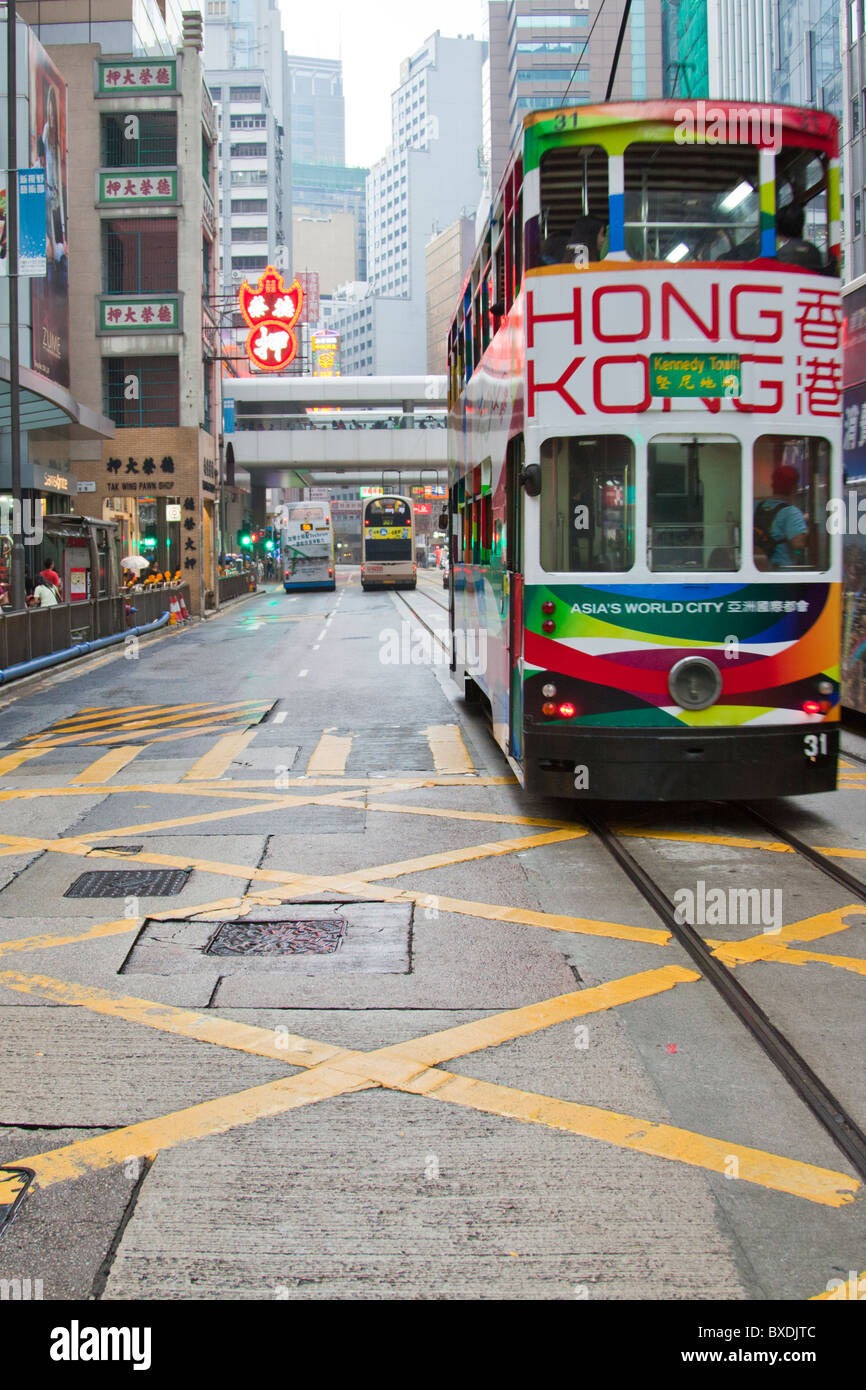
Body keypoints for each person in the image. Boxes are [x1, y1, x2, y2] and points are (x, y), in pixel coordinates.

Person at [754, 464, 808, 569]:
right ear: (794, 487)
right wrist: (807, 529)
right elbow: (798, 543)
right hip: (782, 571)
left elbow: (775, 527)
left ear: (773, 485)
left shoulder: (760, 506)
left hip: (761, 569)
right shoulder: (791, 512)